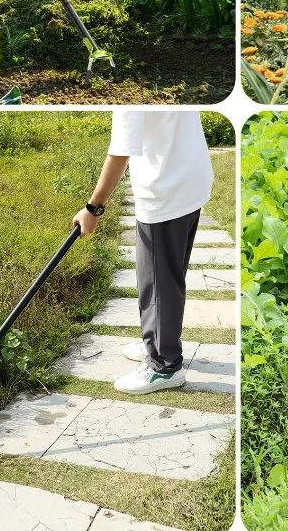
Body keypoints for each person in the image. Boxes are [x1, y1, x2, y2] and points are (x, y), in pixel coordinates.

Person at [72, 110, 214, 394]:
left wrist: (94, 208)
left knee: (158, 284)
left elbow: (121, 151)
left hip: (164, 191)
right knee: (170, 277)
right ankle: (160, 339)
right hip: (190, 179)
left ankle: (163, 364)